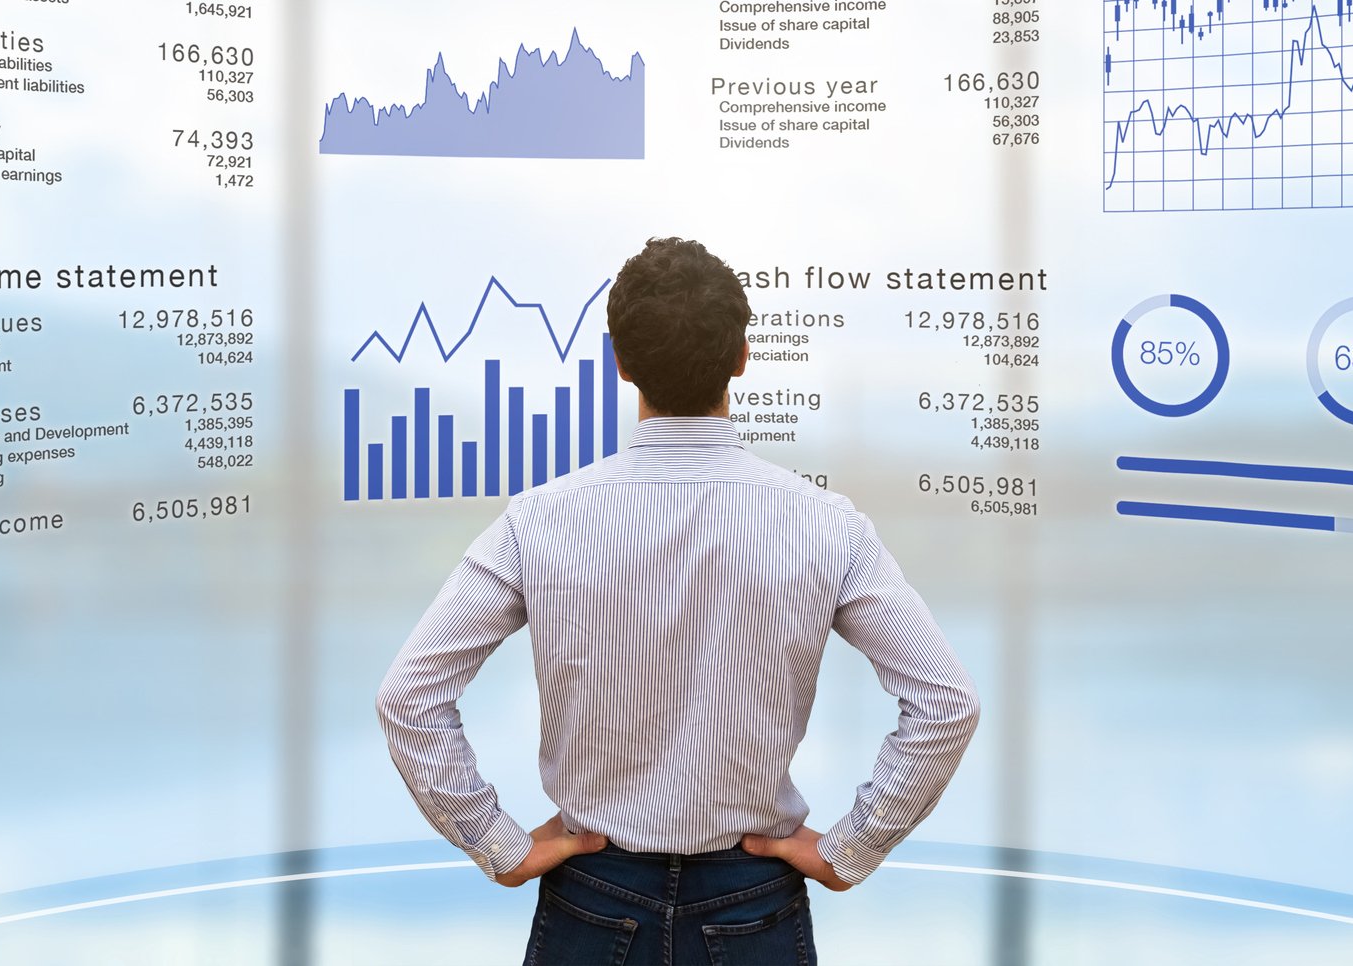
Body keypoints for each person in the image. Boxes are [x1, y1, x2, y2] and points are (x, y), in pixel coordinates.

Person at [377, 237, 980, 964]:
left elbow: (408, 697)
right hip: (754, 904)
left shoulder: (538, 520)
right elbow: (947, 703)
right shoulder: (826, 525)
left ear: (620, 362)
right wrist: (850, 849)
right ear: (742, 357)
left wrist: (496, 842)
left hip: (589, 900)